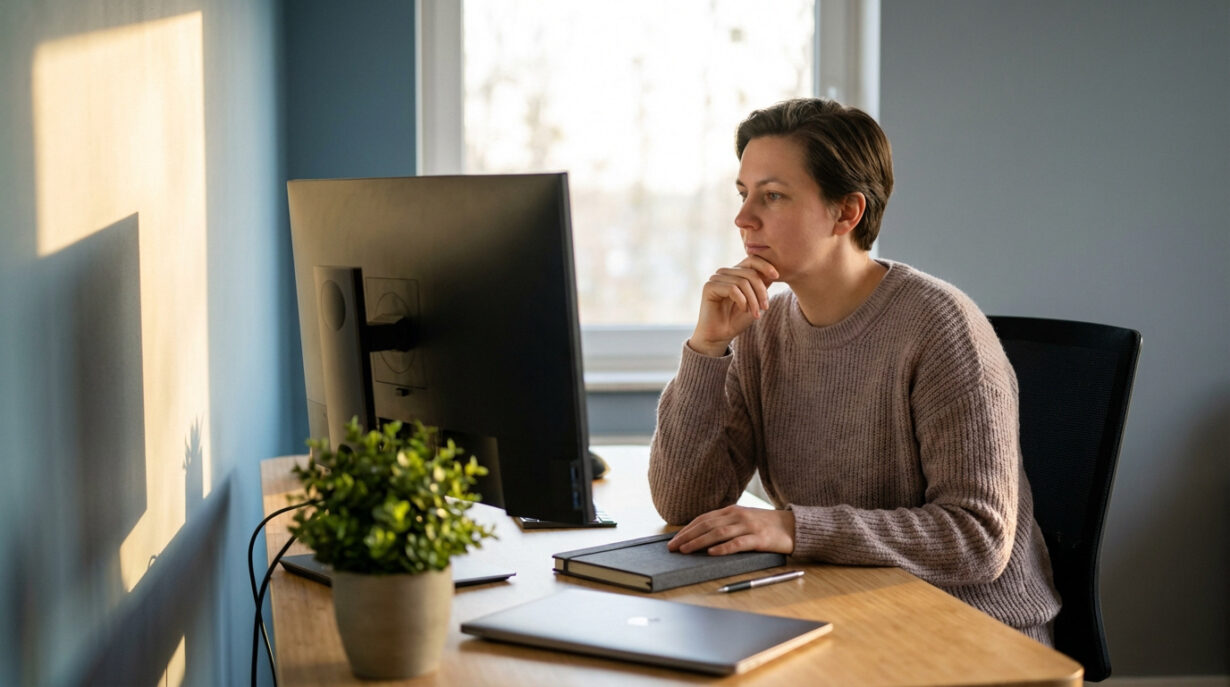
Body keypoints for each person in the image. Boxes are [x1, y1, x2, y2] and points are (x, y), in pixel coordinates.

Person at [648, 98, 1061, 645]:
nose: (743, 218)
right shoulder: (761, 327)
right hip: (843, 602)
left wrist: (795, 528)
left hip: (970, 627)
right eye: (744, 193)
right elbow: (685, 504)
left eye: (772, 196)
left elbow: (977, 538)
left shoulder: (941, 327)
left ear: (847, 213)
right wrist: (706, 350)